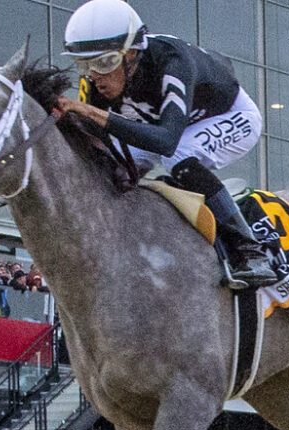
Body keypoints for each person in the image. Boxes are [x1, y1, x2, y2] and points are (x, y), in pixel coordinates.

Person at [56, 0, 276, 288]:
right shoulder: (98, 82)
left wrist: (91, 113)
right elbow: (98, 143)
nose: (95, 76)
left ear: (132, 54)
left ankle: (251, 250)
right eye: (85, 65)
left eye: (104, 63)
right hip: (168, 125)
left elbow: (166, 142)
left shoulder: (171, 61)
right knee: (117, 173)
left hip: (231, 116)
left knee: (178, 157)